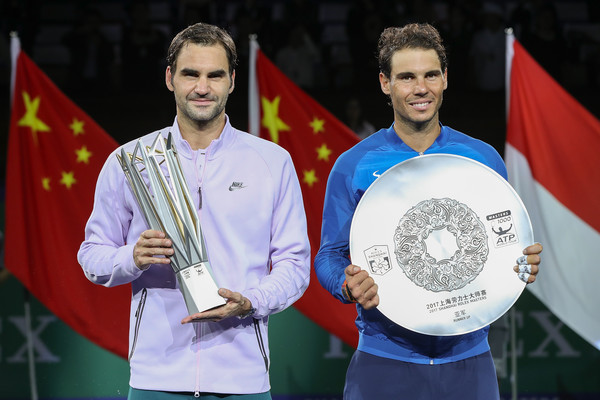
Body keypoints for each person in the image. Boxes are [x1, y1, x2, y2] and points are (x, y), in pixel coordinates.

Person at [78, 22, 310, 399]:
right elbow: (92, 257)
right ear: (170, 78)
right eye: (191, 74)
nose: (202, 87)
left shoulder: (272, 161)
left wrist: (252, 302)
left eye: (214, 75)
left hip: (243, 379)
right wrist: (132, 257)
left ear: (232, 80)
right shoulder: (130, 161)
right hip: (157, 378)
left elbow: (294, 265)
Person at [314, 23, 543, 400]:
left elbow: (503, 247)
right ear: (385, 83)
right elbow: (329, 256)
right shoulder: (353, 164)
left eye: (430, 75)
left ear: (446, 78)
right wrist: (346, 283)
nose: (421, 88)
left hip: (469, 361)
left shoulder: (483, 158)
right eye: (406, 77)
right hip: (383, 361)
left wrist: (522, 264)